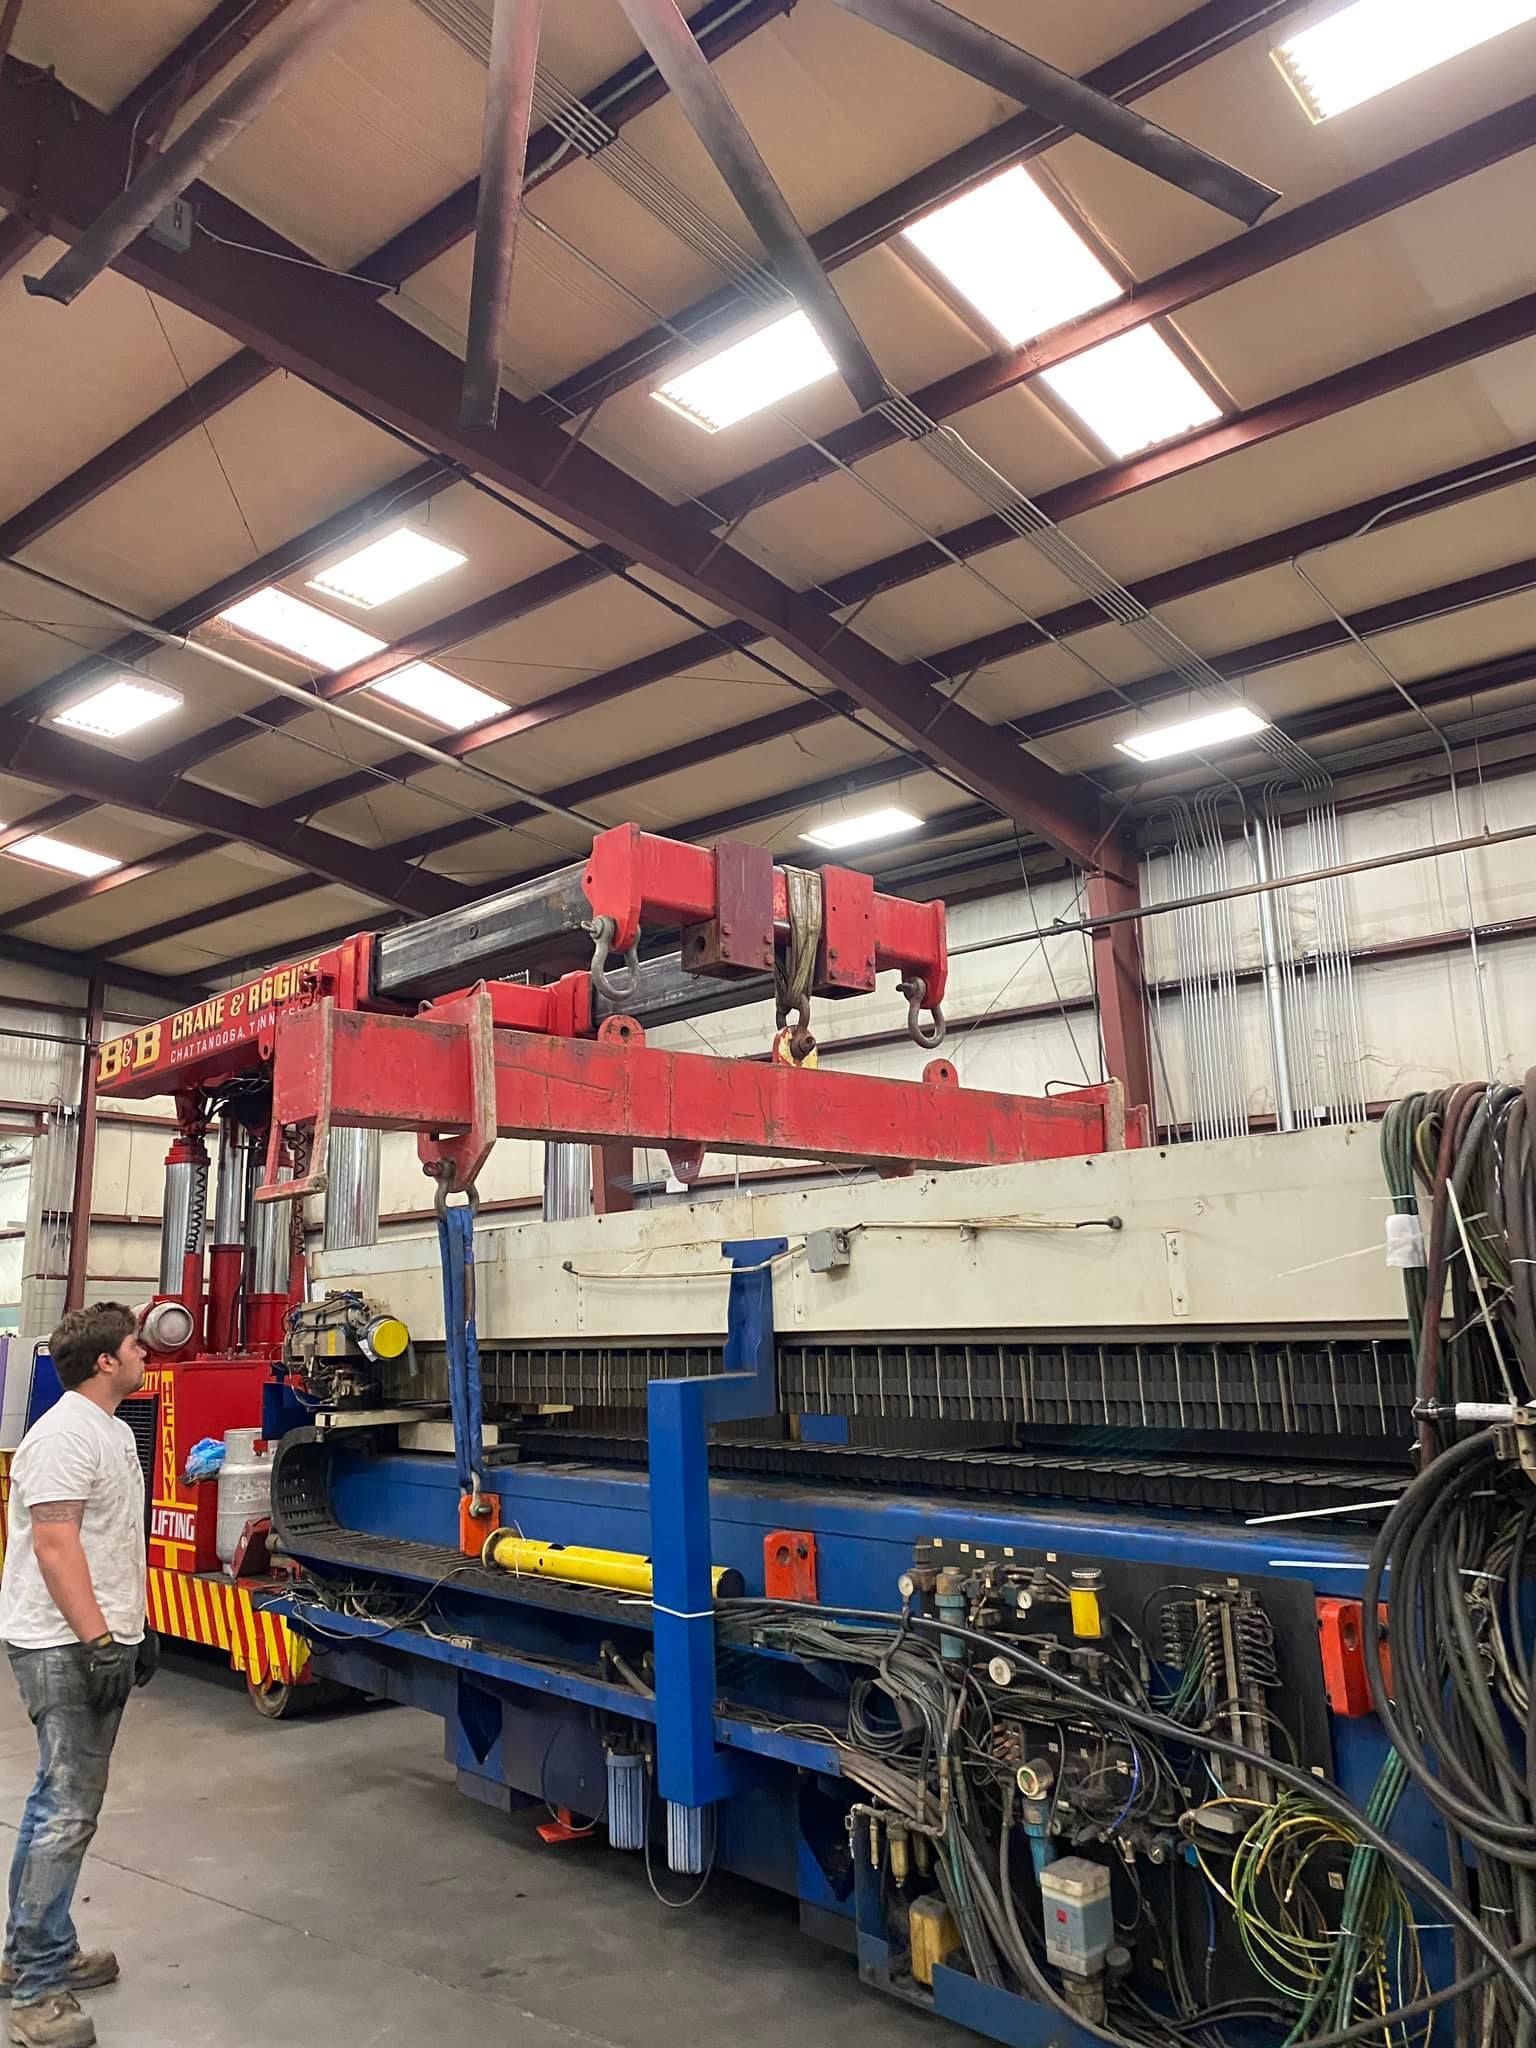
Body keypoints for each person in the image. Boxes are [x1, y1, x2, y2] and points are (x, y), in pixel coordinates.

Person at [0, 1306, 159, 2048]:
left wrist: (136, 1624)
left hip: (92, 1634)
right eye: (133, 1344)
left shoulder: (111, 1430)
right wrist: (100, 1639)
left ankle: (39, 1948)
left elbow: (109, 1541)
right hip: (61, 1645)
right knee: (67, 1808)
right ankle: (36, 1991)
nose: (142, 1353)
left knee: (58, 1801)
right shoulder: (64, 1435)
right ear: (104, 1362)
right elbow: (58, 1547)